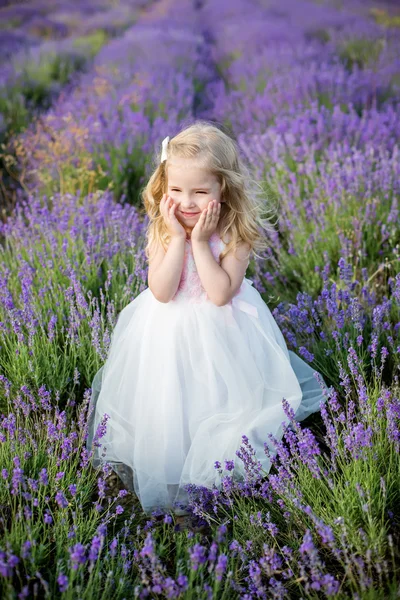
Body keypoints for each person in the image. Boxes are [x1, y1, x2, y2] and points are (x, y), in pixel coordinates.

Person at [86, 120, 328, 517]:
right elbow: (162, 292)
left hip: (223, 331)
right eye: (177, 191)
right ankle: (172, 464)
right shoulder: (164, 231)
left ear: (224, 190)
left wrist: (200, 241)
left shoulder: (236, 234)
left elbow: (218, 294)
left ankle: (218, 473)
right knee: (170, 401)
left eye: (200, 192)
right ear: (164, 190)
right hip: (166, 331)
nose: (187, 203)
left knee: (222, 400)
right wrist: (178, 238)